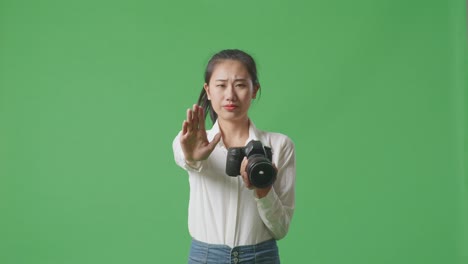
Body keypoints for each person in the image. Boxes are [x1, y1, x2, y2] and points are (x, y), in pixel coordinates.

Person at [172, 49, 296, 264]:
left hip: (261, 257)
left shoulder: (279, 145)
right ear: (208, 90)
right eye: (220, 85)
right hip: (205, 258)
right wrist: (193, 158)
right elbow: (187, 160)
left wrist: (263, 188)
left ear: (254, 90)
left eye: (240, 85)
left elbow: (281, 229)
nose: (230, 95)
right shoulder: (189, 141)